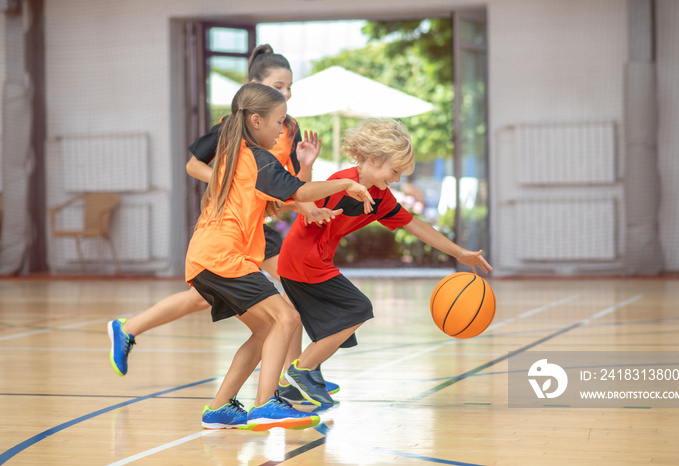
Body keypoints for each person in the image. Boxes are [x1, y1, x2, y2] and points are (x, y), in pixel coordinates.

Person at [108, 44, 340, 395]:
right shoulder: (232, 128)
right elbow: (193, 166)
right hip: (230, 225)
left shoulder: (288, 127)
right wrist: (232, 182)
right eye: (279, 86)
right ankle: (293, 378)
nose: (287, 93)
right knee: (287, 299)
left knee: (209, 297)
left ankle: (129, 328)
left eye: (290, 87)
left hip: (261, 221)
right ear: (255, 90)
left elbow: (293, 186)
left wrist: (308, 193)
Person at [182, 82, 374, 430]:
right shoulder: (257, 158)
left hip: (207, 257)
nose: (282, 130)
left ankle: (220, 407)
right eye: (278, 122)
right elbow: (299, 189)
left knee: (265, 331)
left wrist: (310, 207)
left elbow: (283, 200)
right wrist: (345, 184)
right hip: (223, 256)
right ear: (256, 121)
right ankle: (265, 403)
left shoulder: (233, 154)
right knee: (286, 315)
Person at [276, 118, 493, 406]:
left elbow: (414, 224)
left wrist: (458, 253)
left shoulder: (380, 197)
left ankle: (293, 383)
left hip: (313, 262)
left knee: (321, 319)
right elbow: (303, 199)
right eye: (395, 171)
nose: (398, 179)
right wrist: (306, 171)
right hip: (303, 261)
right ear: (374, 159)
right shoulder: (342, 181)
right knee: (357, 308)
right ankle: (301, 371)